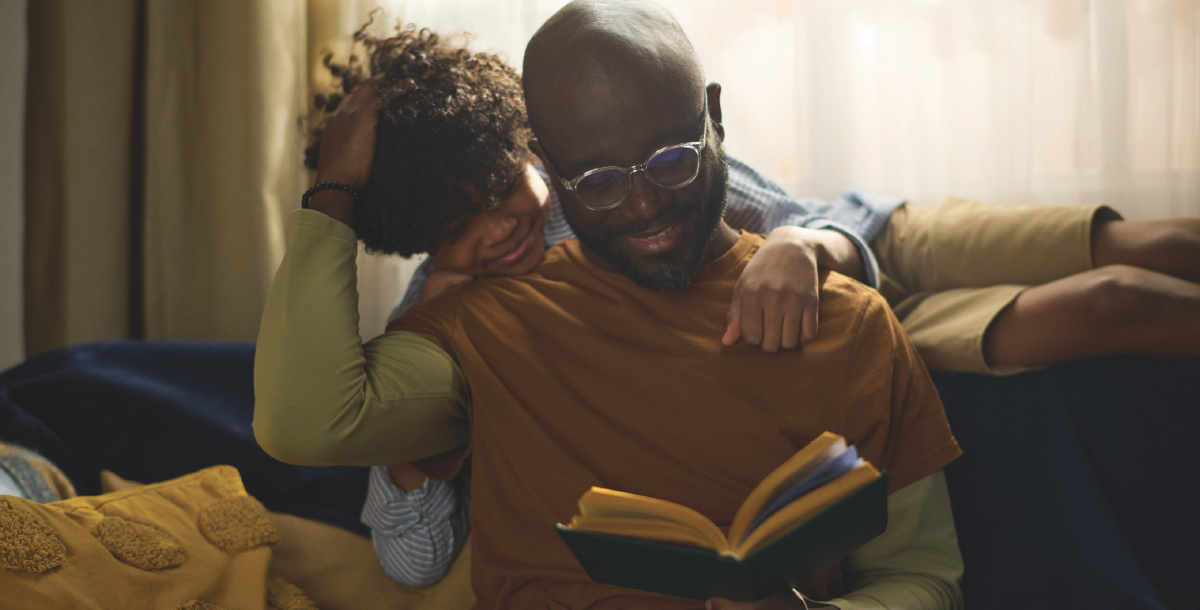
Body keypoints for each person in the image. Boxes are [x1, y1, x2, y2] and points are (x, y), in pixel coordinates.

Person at [304, 14, 1200, 591]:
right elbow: (409, 558)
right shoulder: (452, 320)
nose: (492, 232)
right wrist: (413, 454)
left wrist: (800, 248)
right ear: (418, 245)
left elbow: (802, 216)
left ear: (529, 148)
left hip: (860, 240)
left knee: (1149, 245)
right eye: (450, 231)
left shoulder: (639, 176)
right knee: (1113, 302)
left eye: (501, 189)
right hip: (852, 295)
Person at [255, 2, 968, 608]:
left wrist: (811, 246)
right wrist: (334, 191)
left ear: (714, 117)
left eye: (670, 160)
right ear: (554, 164)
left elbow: (920, 577)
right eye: (596, 179)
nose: (644, 204)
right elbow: (302, 424)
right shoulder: (470, 320)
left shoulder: (853, 325)